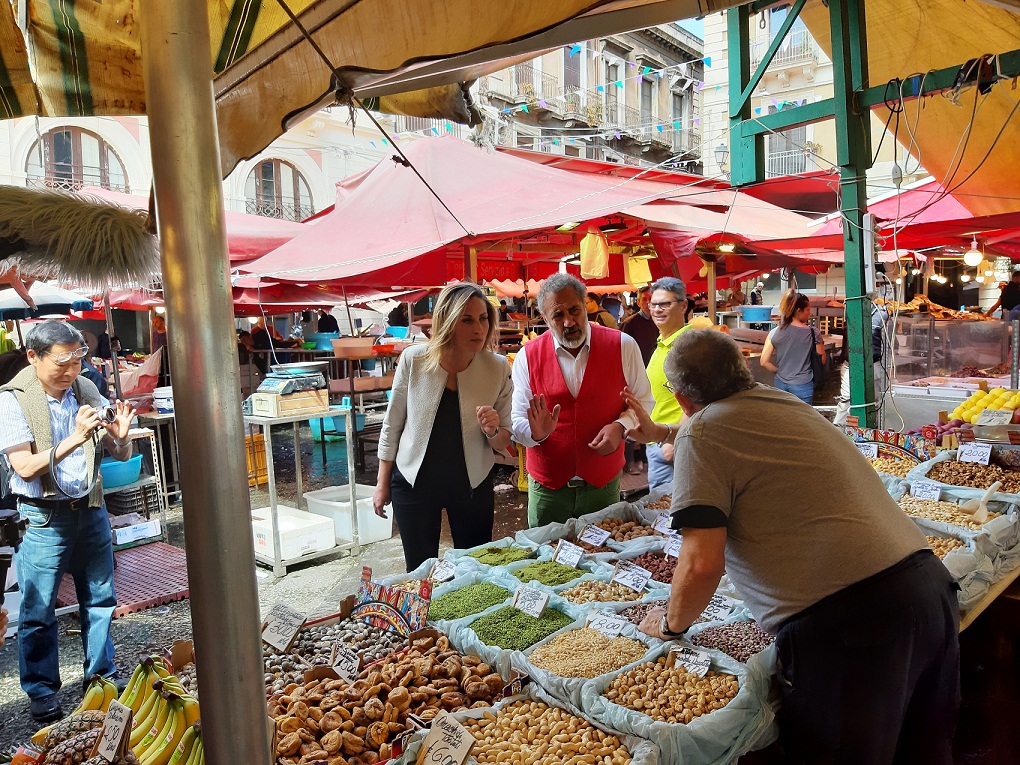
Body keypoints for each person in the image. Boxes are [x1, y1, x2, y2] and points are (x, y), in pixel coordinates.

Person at [623, 328, 959, 765]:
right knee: (924, 751)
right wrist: (663, 432)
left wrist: (669, 625)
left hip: (852, 625)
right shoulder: (783, 402)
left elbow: (703, 563)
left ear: (681, 397)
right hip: (928, 589)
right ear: (741, 371)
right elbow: (721, 425)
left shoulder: (701, 434)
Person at [0, 320, 137, 723]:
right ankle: (42, 691)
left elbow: (120, 452)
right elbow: (23, 466)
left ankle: (101, 678)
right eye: (61, 362)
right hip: (42, 516)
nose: (71, 370)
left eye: (77, 360)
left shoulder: (86, 388)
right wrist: (74, 439)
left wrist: (122, 437)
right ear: (33, 357)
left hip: (91, 508)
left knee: (99, 600)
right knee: (38, 609)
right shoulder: (12, 400)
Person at [374, 282, 512, 571]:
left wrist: (492, 430)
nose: (479, 328)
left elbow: (503, 442)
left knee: (474, 573)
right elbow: (393, 424)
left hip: (472, 485)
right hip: (414, 484)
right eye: (467, 320)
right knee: (420, 574)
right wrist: (382, 483)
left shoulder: (497, 367)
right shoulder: (414, 359)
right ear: (448, 321)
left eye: (483, 319)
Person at [510, 274, 653, 527]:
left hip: (603, 484)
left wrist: (620, 427)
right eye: (557, 315)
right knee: (546, 559)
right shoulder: (527, 357)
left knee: (604, 557)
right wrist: (535, 433)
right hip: (547, 489)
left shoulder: (622, 345)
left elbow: (643, 401)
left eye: (574, 310)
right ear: (545, 319)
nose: (568, 321)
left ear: (585, 304)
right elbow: (518, 420)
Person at [644, 277, 690, 490]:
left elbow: (701, 396)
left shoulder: (688, 345)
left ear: (684, 306)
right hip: (658, 440)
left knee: (671, 514)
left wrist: (676, 439)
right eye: (653, 304)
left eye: (665, 304)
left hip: (673, 444)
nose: (657, 310)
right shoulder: (663, 342)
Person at [759, 289, 825, 405]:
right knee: (803, 420)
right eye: (808, 310)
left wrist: (780, 371)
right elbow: (822, 360)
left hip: (780, 384)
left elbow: (764, 362)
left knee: (784, 419)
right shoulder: (813, 333)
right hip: (803, 384)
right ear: (799, 310)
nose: (809, 313)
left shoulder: (774, 332)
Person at [620, 287, 658, 366]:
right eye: (644, 299)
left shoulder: (658, 320)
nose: (648, 302)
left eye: (651, 298)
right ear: (638, 303)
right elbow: (622, 350)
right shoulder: (629, 323)